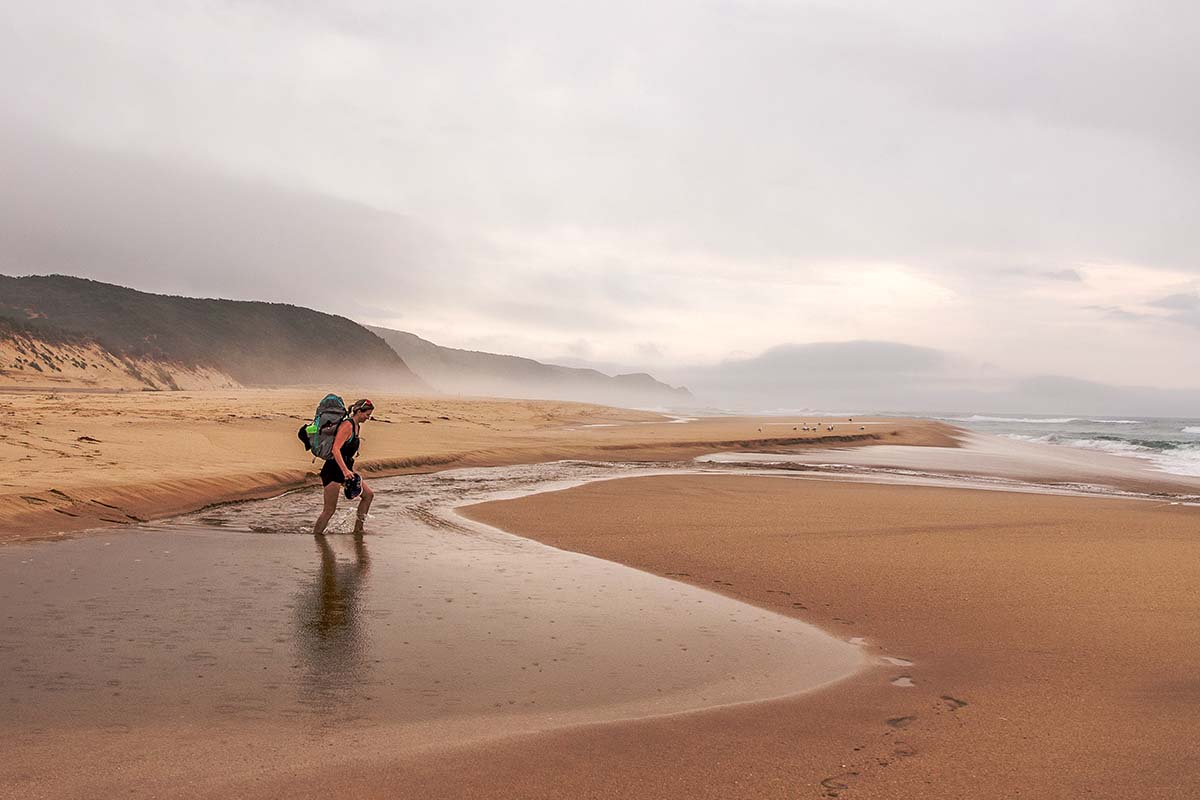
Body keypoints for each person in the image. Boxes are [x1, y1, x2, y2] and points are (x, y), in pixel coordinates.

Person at [313, 398, 376, 536]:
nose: (368, 418)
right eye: (367, 414)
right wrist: (345, 470)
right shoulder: (347, 425)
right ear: (359, 411)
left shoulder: (357, 426)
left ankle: (358, 530)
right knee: (329, 510)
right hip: (334, 470)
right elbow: (335, 449)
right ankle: (316, 536)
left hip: (346, 469)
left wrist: (348, 469)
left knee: (368, 495)